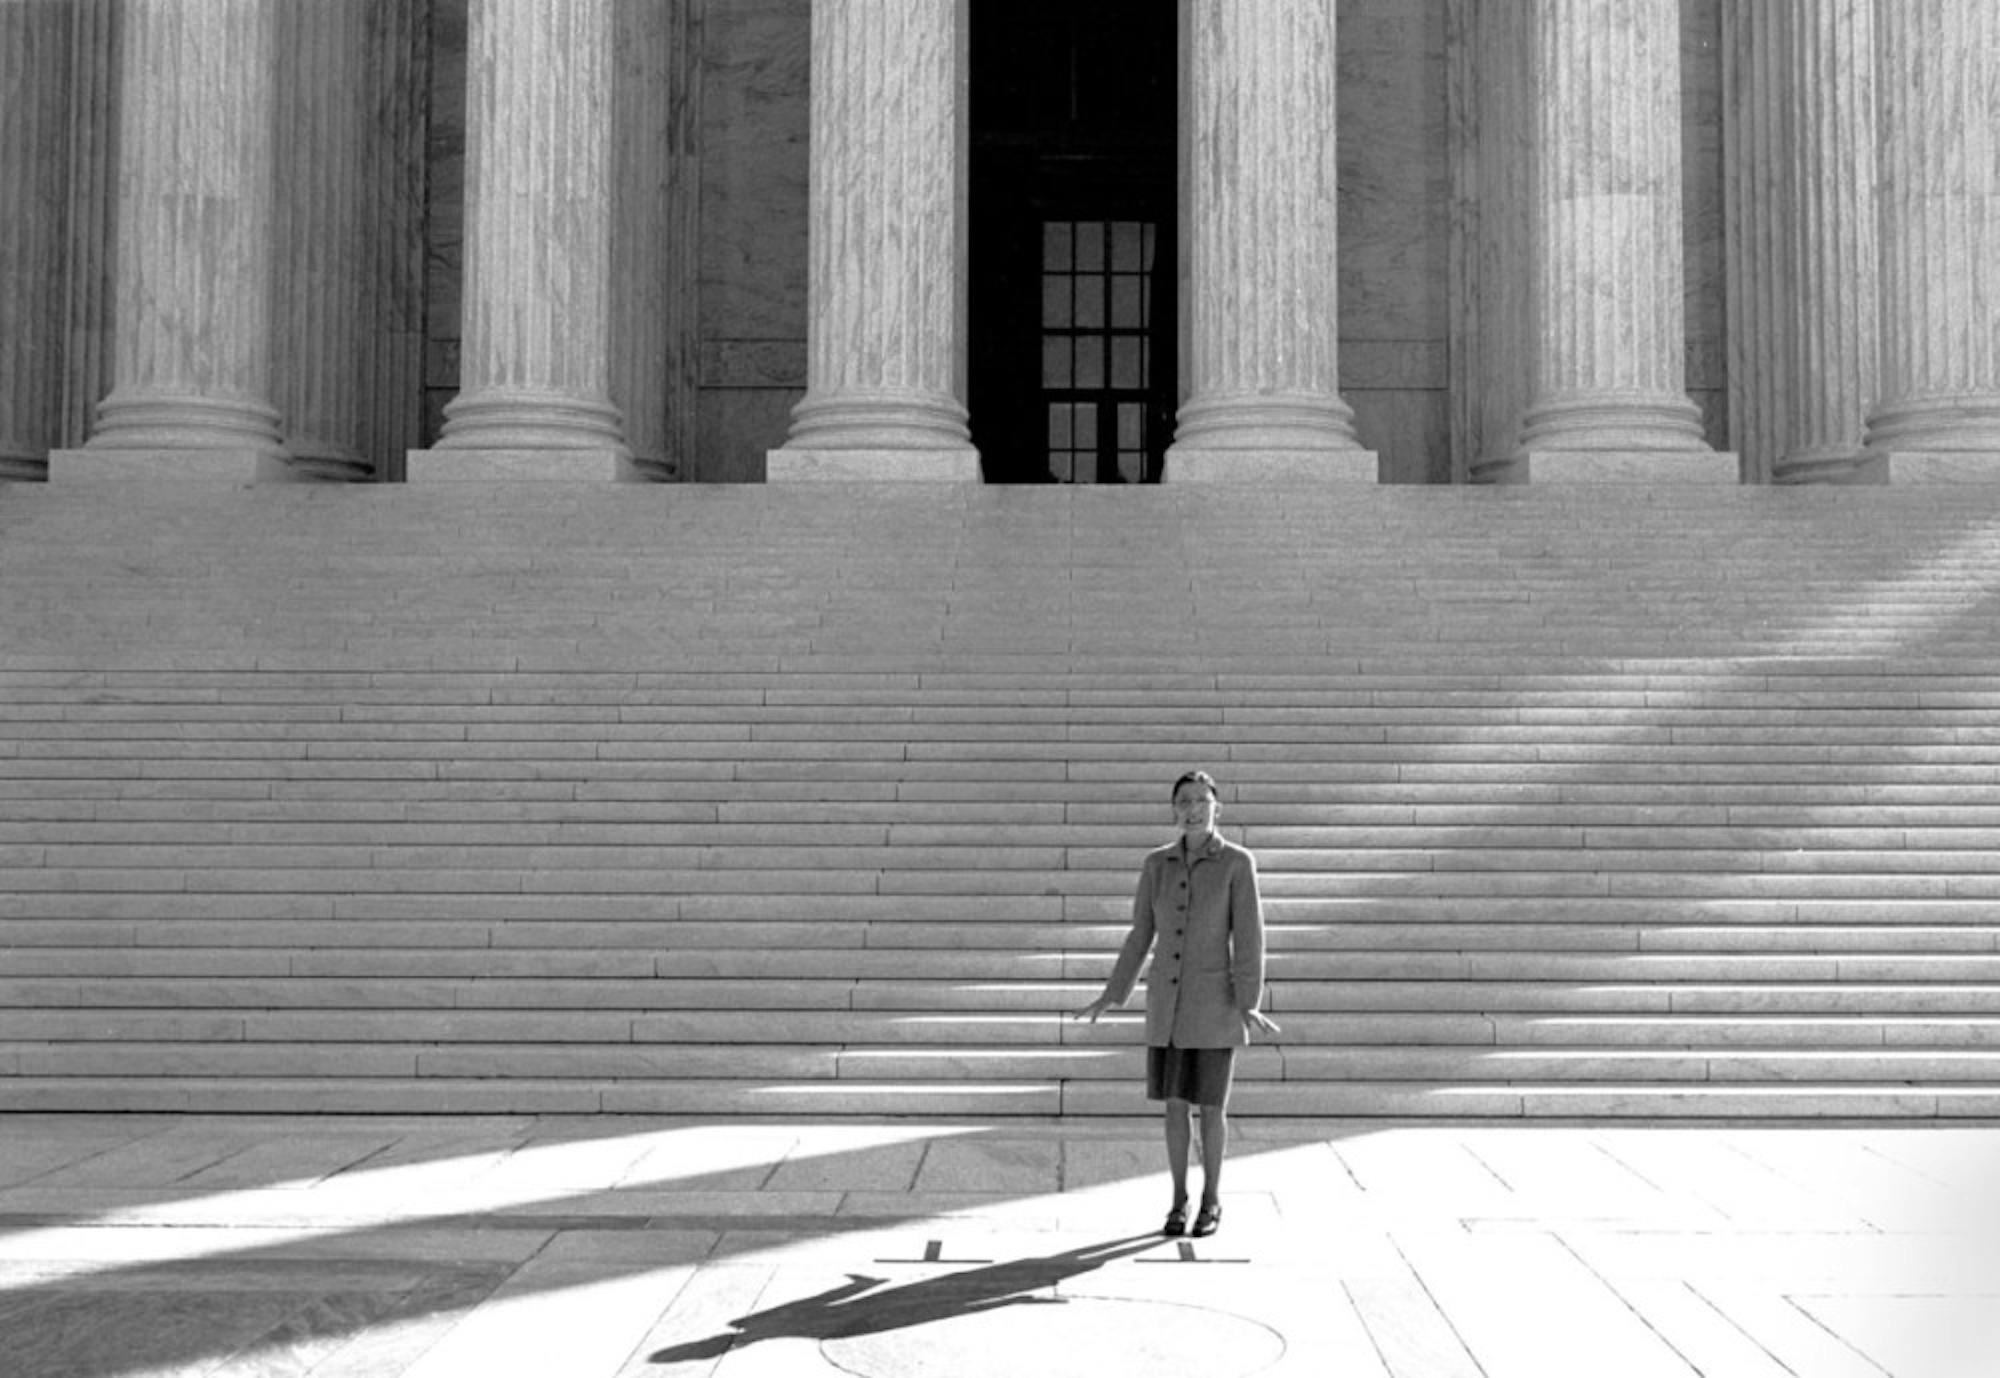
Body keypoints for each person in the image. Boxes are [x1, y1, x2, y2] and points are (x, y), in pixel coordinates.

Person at [1074, 769, 1278, 1238]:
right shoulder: (1156, 864)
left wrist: (1248, 1000)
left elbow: (1249, 938)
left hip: (1215, 1005)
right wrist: (1113, 992)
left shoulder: (1237, 863)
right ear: (1173, 809)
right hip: (1167, 1005)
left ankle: (1211, 1198)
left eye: (1201, 801)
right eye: (1183, 801)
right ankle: (1179, 1199)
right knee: (1173, 1105)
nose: (1192, 810)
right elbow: (1141, 933)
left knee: (1211, 1108)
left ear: (1216, 808)